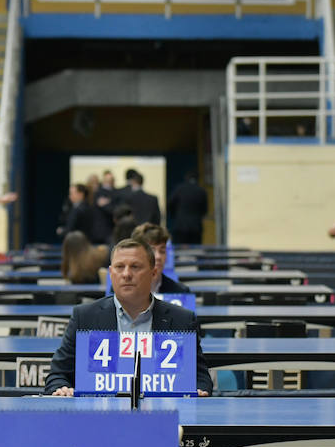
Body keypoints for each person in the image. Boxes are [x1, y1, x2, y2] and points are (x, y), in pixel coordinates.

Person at [44, 239, 211, 396]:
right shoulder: (85, 318)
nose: (126, 274)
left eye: (135, 267)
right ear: (111, 273)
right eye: (119, 267)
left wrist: (200, 390)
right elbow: (57, 375)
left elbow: (201, 378)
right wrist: (61, 388)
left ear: (153, 273)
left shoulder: (182, 320)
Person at [131, 222, 190, 294]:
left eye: (162, 251)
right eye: (152, 251)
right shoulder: (121, 291)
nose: (158, 257)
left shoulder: (181, 292)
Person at [167, 170, 208, 245]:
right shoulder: (201, 191)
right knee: (195, 250)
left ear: (186, 178)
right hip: (196, 226)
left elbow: (169, 204)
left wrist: (174, 215)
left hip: (180, 225)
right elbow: (204, 210)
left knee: (179, 251)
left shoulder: (179, 189)